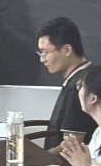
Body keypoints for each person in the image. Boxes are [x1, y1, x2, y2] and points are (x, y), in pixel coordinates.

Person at [35, 17, 97, 150]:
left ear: (67, 50)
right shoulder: (81, 77)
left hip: (64, 162)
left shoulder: (79, 86)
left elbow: (72, 146)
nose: (42, 60)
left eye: (46, 53)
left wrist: (41, 157)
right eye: (41, 53)